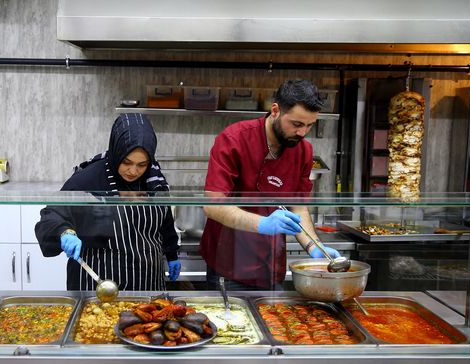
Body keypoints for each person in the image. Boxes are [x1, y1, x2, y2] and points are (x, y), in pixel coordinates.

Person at [200, 79, 341, 291]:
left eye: (310, 125)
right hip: (229, 263)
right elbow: (212, 206)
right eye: (296, 124)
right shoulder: (234, 139)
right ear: (275, 110)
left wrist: (314, 246)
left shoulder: (303, 151)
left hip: (271, 266)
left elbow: (298, 208)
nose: (303, 132)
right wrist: (263, 224)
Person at [35, 113, 181, 291]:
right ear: (117, 150)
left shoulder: (154, 180)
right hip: (99, 283)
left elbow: (164, 220)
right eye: (127, 162)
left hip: (147, 282)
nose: (133, 171)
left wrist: (172, 253)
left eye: (141, 164)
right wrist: (64, 232)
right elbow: (51, 215)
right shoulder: (88, 178)